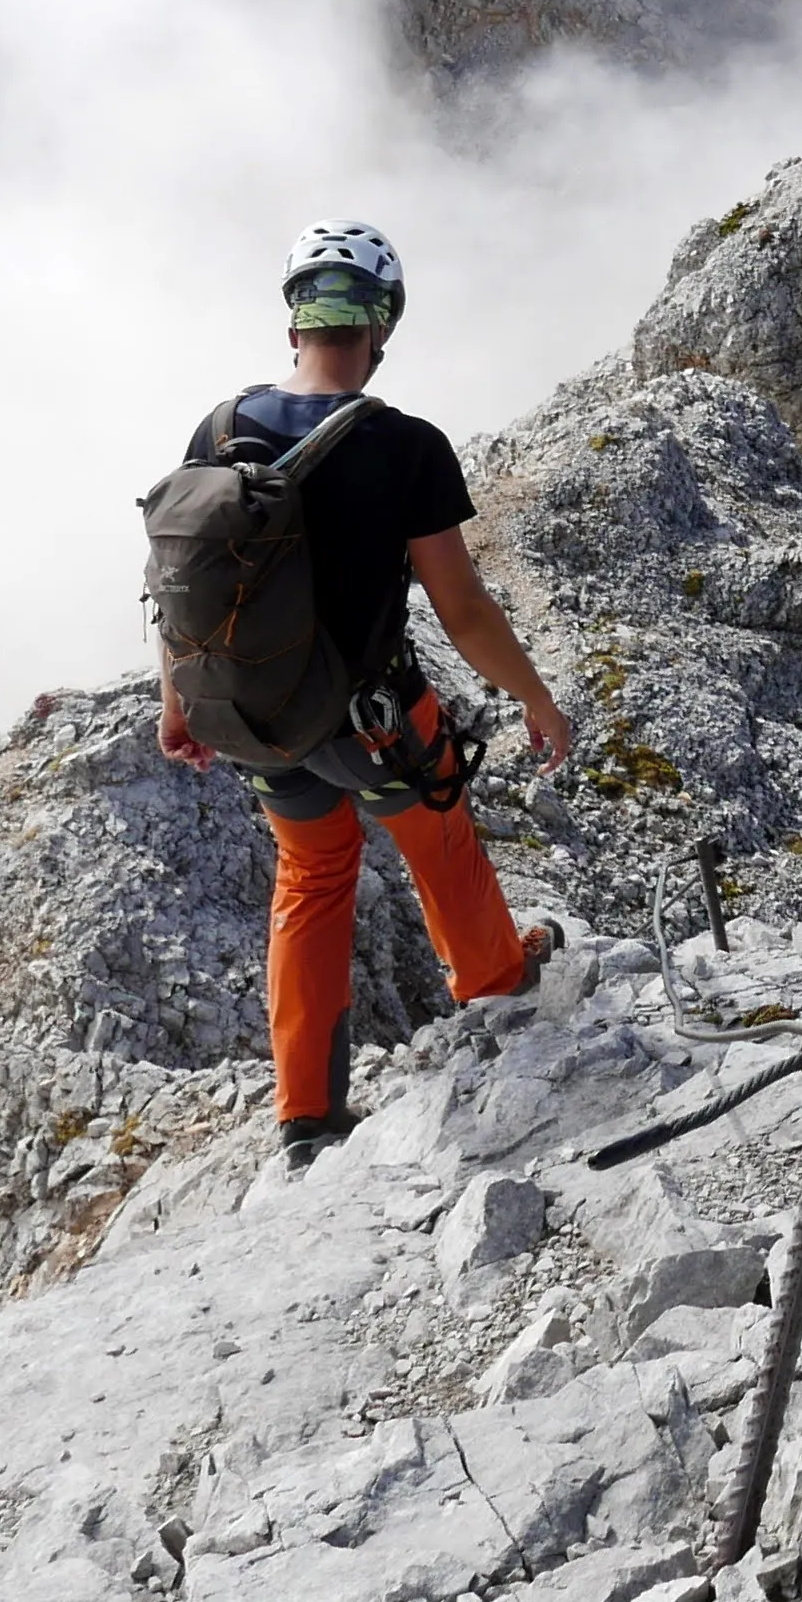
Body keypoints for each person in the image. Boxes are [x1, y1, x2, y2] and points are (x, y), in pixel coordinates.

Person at [156, 220, 577, 1162]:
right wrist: (536, 701)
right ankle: (498, 986)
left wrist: (177, 701)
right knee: (438, 834)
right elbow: (462, 608)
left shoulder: (220, 430)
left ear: (293, 319)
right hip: (373, 722)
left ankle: (305, 1112)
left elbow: (183, 589)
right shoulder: (406, 447)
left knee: (311, 877)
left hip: (262, 722)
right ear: (380, 326)